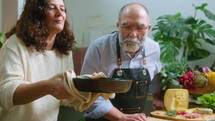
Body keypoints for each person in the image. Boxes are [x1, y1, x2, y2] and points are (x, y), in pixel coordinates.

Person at [0, 0, 147, 121]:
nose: (60, 14)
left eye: (63, 9)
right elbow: (7, 94)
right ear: (36, 14)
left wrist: (91, 88)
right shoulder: (15, 45)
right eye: (51, 8)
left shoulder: (63, 50)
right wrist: (48, 87)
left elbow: (66, 98)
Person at [81, 2, 164, 121]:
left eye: (140, 27)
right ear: (118, 26)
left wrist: (156, 98)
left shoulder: (153, 48)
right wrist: (121, 117)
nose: (133, 34)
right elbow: (88, 91)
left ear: (148, 28)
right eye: (127, 27)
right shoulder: (99, 47)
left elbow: (155, 78)